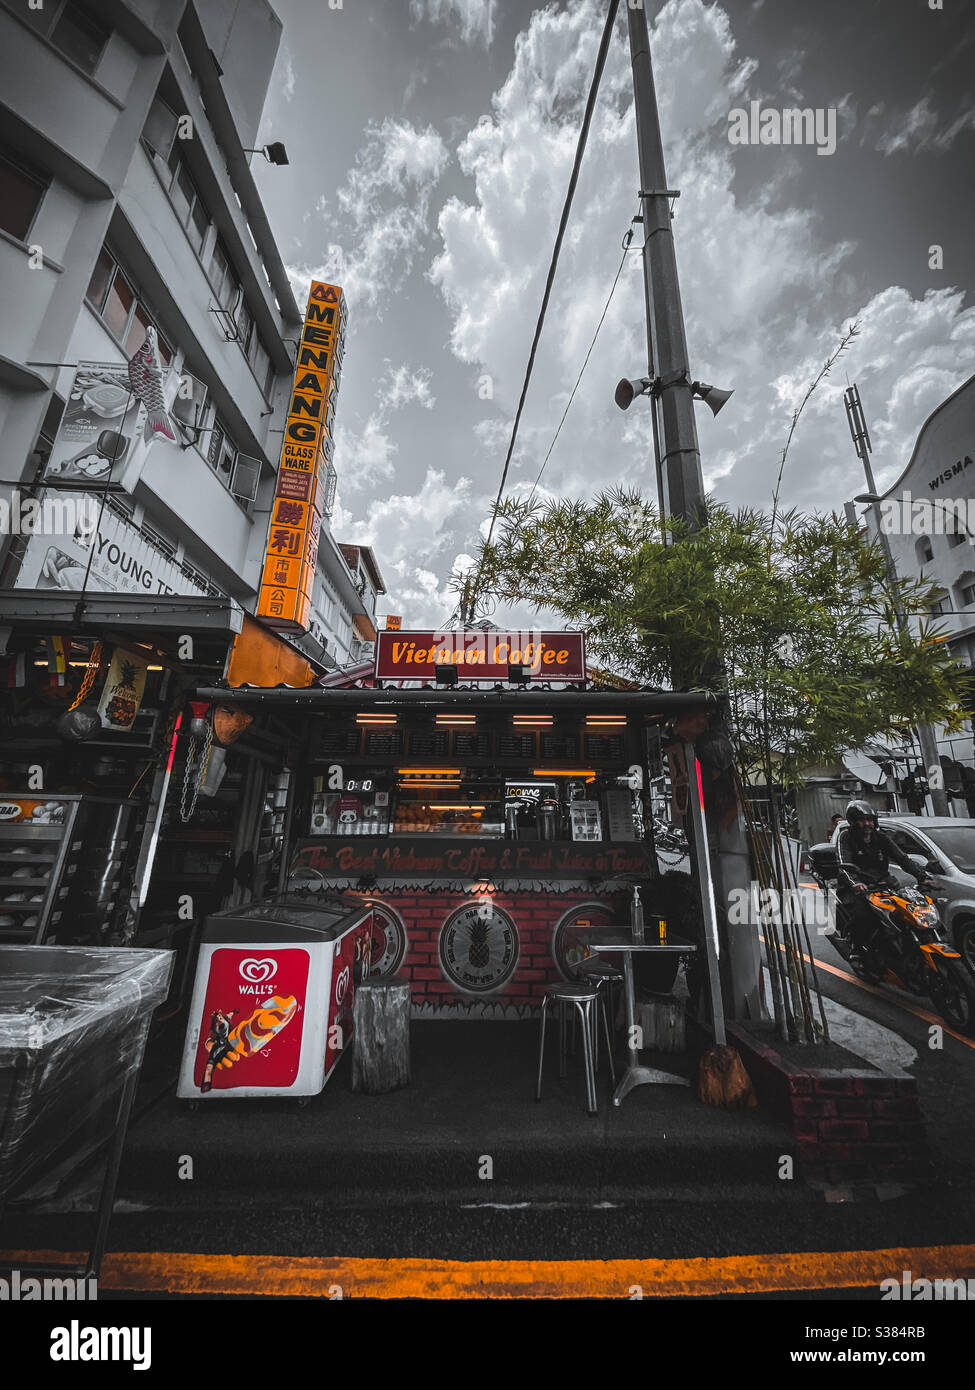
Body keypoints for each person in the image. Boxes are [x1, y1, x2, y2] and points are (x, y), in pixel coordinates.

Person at [833, 801, 931, 955]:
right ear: (853, 821)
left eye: (870, 820)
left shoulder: (881, 838)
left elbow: (902, 859)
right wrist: (855, 882)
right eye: (862, 820)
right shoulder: (845, 837)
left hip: (883, 884)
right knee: (864, 916)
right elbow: (843, 864)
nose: (867, 824)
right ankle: (856, 950)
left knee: (908, 910)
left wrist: (923, 877)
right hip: (855, 888)